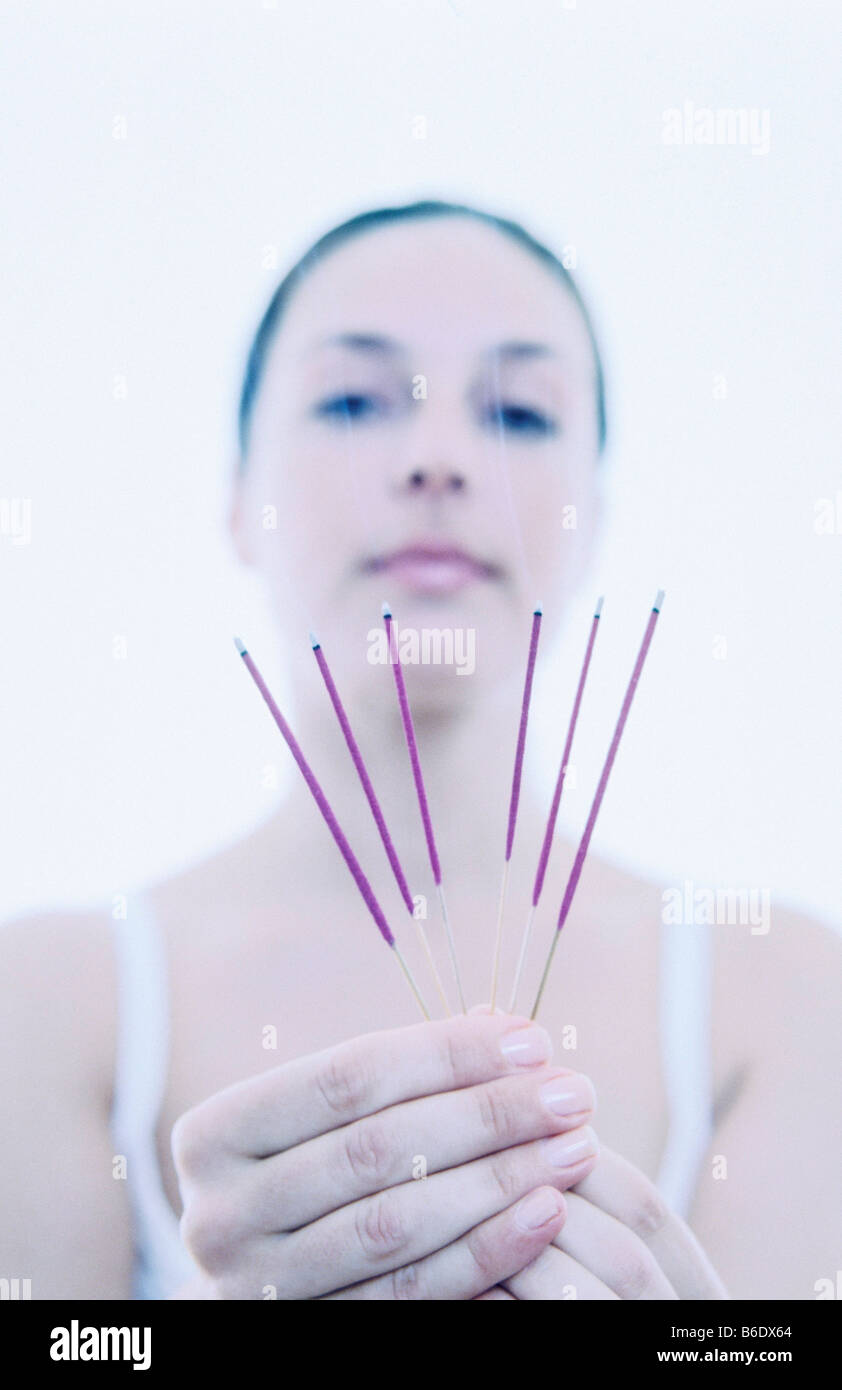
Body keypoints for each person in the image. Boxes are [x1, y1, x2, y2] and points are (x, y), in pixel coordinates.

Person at [2, 200, 839, 1301]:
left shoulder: (781, 992)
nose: (438, 456)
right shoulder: (50, 1001)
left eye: (520, 413)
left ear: (591, 511)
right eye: (352, 399)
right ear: (236, 502)